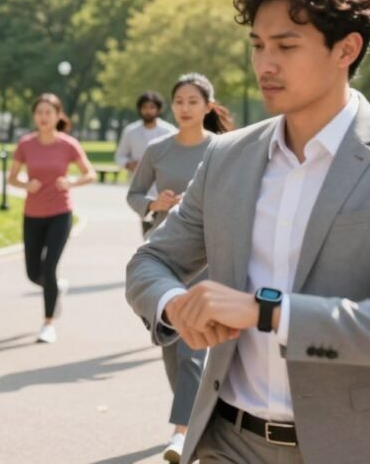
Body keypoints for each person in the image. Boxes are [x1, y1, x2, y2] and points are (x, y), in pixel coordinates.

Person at [126, 0, 370, 464]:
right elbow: (152, 261)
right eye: (258, 45)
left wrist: (265, 312)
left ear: (346, 48)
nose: (264, 64)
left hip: (355, 447)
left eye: (285, 45)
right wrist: (177, 305)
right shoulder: (227, 157)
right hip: (228, 442)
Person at [125, 73, 235, 463]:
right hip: (166, 254)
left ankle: (181, 433)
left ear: (208, 105)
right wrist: (156, 205)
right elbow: (135, 195)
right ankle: (197, 417)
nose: (184, 108)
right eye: (179, 101)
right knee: (172, 345)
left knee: (193, 347)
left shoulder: (224, 149)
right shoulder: (157, 150)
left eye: (193, 101)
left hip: (208, 254)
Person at [8, 93, 96, 344]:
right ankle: (56, 288)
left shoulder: (68, 144)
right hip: (32, 214)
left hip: (60, 213)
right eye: (39, 112)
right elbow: (12, 178)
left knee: (49, 267)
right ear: (34, 116)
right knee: (32, 272)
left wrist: (71, 182)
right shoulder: (25, 144)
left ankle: (47, 324)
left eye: (49, 112)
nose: (44, 117)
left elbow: (90, 174)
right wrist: (26, 184)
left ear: (59, 116)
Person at [116, 91, 177, 234]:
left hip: (165, 187)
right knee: (148, 225)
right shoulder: (131, 132)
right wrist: (129, 164)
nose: (148, 111)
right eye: (144, 107)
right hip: (142, 187)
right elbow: (120, 157)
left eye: (152, 107)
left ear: (158, 109)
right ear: (139, 109)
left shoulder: (169, 131)